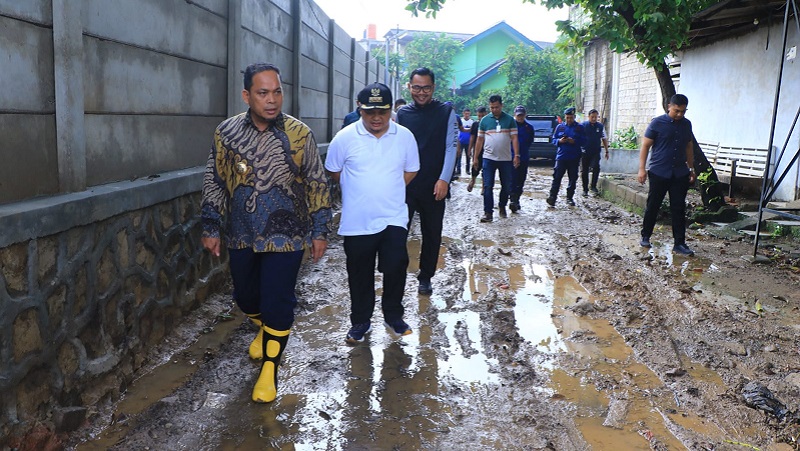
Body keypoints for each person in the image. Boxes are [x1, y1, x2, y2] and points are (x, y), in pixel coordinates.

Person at [201, 63, 332, 403]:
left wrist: (320, 230)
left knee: (278, 300)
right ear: (247, 95)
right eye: (263, 93)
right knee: (246, 298)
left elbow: (318, 182)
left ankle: (270, 369)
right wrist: (211, 225)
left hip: (287, 236)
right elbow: (215, 180)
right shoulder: (226, 133)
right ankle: (264, 328)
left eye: (277, 91)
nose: (272, 100)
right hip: (242, 233)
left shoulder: (299, 134)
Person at [325, 82, 420, 342]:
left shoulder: (404, 137)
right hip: (357, 220)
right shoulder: (344, 138)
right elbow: (334, 171)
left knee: (396, 265)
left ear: (391, 110)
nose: (377, 118)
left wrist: (388, 188)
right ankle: (360, 322)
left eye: (383, 111)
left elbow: (411, 170)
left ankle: (393, 316)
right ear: (359, 108)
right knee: (359, 272)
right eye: (370, 112)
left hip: (393, 216)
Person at [397, 67, 458, 295]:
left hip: (435, 186)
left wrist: (444, 179)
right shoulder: (403, 114)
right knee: (398, 233)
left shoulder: (446, 111)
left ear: (433, 88)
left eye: (426, 88)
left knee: (432, 234)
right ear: (410, 87)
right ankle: (398, 273)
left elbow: (451, 147)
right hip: (407, 185)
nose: (421, 92)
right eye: (417, 87)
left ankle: (425, 277)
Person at [637, 94, 696, 256]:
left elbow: (689, 147)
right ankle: (646, 236)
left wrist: (691, 169)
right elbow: (645, 146)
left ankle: (679, 243)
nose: (679, 114)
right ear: (669, 106)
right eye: (676, 111)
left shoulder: (686, 125)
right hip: (659, 172)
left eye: (683, 111)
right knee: (653, 205)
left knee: (678, 208)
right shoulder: (657, 123)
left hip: (679, 173)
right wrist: (642, 169)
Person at [473, 95, 519, 222]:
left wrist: (516, 155)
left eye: (496, 107)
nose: (494, 110)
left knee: (506, 186)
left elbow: (515, 138)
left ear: (501, 106)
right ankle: (488, 213)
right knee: (488, 186)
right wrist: (475, 157)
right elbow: (480, 139)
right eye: (492, 107)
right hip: (488, 158)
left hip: (505, 159)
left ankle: (502, 205)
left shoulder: (510, 120)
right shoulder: (485, 121)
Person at [546, 107, 586, 207]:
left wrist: (575, 141)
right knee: (557, 178)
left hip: (574, 157)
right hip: (561, 157)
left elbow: (585, 141)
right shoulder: (560, 127)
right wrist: (559, 141)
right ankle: (552, 197)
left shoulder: (579, 128)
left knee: (572, 178)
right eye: (567, 117)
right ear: (565, 117)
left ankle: (569, 198)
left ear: (574, 117)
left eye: (571, 118)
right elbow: (553, 139)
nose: (569, 120)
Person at [580, 109, 610, 196]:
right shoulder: (583, 126)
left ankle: (593, 186)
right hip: (585, 151)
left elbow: (604, 138)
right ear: (588, 117)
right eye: (592, 117)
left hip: (595, 151)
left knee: (596, 167)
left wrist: (607, 151)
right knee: (584, 170)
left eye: (595, 117)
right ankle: (585, 189)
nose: (594, 119)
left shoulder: (600, 127)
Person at [510, 105, 533, 212]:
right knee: (512, 179)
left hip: (524, 157)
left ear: (525, 115)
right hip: (511, 156)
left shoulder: (529, 128)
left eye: (522, 115)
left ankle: (517, 199)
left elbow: (529, 142)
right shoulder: (511, 126)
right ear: (515, 115)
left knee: (521, 179)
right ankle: (512, 200)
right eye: (518, 115)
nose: (520, 117)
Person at [466, 106, 488, 192]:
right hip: (477, 149)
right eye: (479, 116)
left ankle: (483, 186)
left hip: (487, 149)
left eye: (482, 116)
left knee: (486, 169)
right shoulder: (475, 124)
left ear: (485, 114)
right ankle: (473, 180)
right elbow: (472, 137)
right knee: (475, 166)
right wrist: (469, 148)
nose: (480, 118)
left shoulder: (489, 124)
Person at [456, 108, 475, 176]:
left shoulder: (472, 122)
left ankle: (467, 170)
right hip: (460, 141)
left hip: (468, 142)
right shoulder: (460, 120)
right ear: (463, 113)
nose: (467, 115)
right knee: (459, 156)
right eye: (466, 113)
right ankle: (458, 170)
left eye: (468, 114)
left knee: (468, 156)